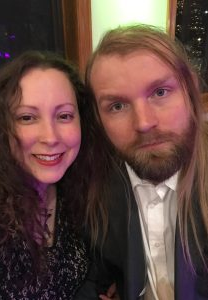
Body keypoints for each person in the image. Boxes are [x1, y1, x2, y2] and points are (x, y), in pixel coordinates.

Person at [76, 24, 208, 299]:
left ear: (191, 91)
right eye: (117, 106)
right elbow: (96, 273)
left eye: (160, 92)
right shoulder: (92, 184)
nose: (144, 123)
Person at [0, 50, 93, 299]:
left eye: (64, 116)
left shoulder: (78, 188)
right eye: (27, 118)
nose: (51, 137)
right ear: (1, 126)